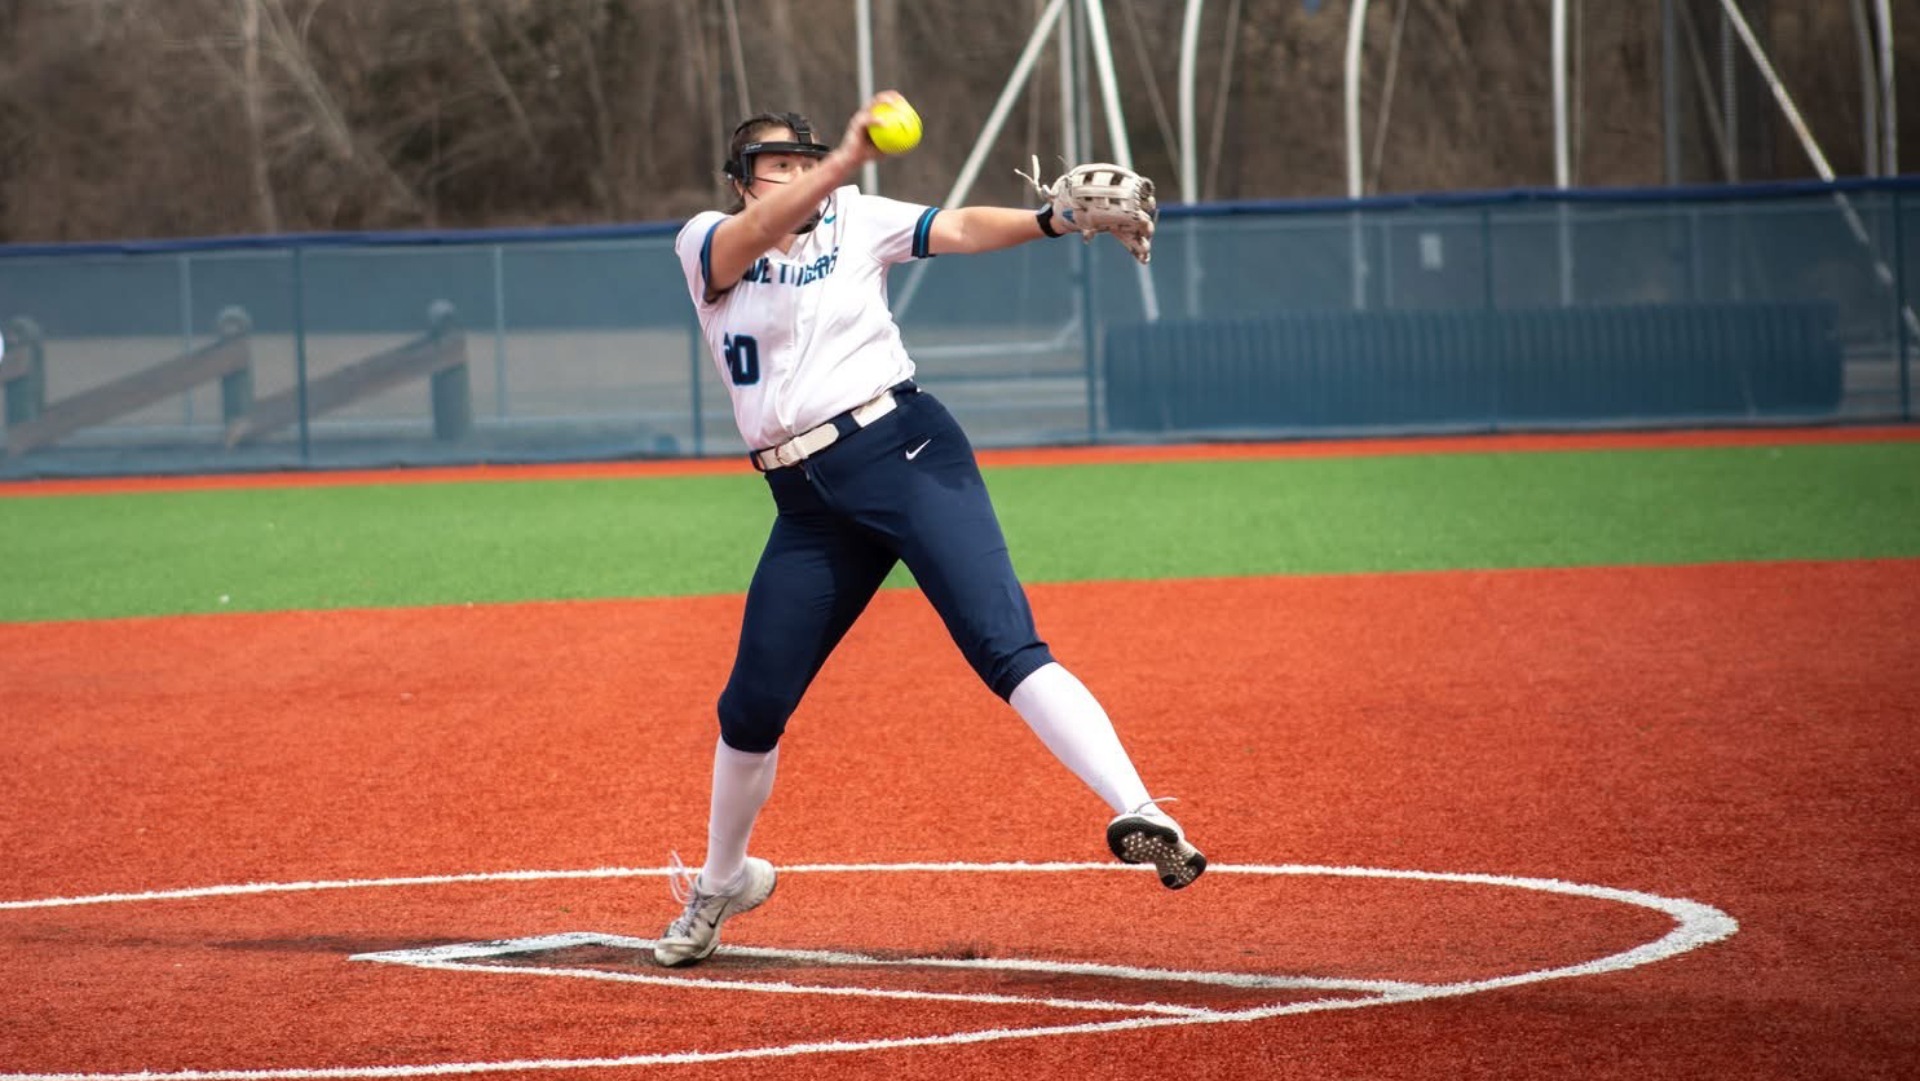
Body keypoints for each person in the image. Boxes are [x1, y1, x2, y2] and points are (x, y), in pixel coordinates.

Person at [658, 91, 1203, 968]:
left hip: (902, 449)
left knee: (1004, 643)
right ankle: (723, 881)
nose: (795, 174)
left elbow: (956, 230)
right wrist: (841, 163)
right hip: (804, 503)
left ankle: (1139, 805)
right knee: (751, 703)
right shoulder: (702, 242)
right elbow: (752, 236)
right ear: (737, 182)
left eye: (805, 159)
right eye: (775, 164)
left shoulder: (854, 215)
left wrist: (1050, 219)